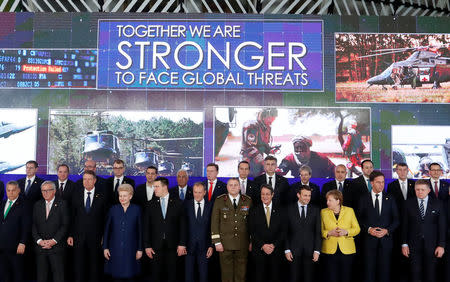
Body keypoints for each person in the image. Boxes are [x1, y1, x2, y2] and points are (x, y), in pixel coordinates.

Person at [401, 179, 446, 282]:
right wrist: (404, 244)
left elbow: (442, 226)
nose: (420, 192)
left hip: (432, 246)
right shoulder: (408, 204)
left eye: (422, 189)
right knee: (415, 274)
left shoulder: (438, 204)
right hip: (413, 246)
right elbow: (404, 225)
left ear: (429, 190)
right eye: (417, 189)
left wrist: (441, 245)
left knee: (430, 275)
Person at [358, 171, 399, 282]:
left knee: (384, 273)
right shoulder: (363, 198)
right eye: (378, 182)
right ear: (372, 183)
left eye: (383, 182)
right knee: (368, 273)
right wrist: (369, 229)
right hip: (368, 242)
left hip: (386, 242)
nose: (381, 185)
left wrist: (387, 231)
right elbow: (358, 219)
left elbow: (396, 219)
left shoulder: (390, 198)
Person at [143, 177, 187, 282]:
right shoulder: (150, 204)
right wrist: (147, 246)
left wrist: (182, 243)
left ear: (165, 187)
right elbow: (146, 227)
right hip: (155, 247)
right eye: (154, 187)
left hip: (173, 247)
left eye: (157, 186)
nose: (155, 189)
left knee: (173, 275)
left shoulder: (178, 203)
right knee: (156, 275)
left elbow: (183, 225)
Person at [67, 170, 108, 282]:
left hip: (96, 238)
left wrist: (104, 236)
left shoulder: (103, 195)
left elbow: (105, 218)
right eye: (84, 179)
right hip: (78, 237)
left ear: (94, 180)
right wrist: (70, 234)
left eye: (89, 179)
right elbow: (72, 216)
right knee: (79, 266)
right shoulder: (76, 194)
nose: (86, 181)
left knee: (94, 266)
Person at [211, 178, 252, 282]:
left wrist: (251, 241)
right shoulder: (219, 201)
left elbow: (251, 223)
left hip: (242, 243)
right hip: (224, 243)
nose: (233, 187)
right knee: (226, 273)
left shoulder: (247, 200)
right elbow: (214, 222)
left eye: (235, 185)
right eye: (230, 185)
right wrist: (216, 242)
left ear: (240, 187)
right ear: (227, 187)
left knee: (241, 273)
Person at [103, 184, 142, 282]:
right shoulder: (113, 209)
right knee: (116, 275)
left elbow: (140, 231)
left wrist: (140, 249)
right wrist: (105, 247)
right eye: (120, 196)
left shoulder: (137, 210)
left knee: (130, 275)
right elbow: (107, 229)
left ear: (130, 196)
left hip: (131, 249)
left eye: (125, 196)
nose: (122, 198)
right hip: (115, 249)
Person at [32, 181, 69, 282]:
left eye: (48, 190)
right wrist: (39, 241)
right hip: (41, 248)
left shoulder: (62, 204)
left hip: (57, 248)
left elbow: (65, 225)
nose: (45, 193)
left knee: (58, 277)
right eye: (43, 190)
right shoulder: (37, 205)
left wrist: (54, 240)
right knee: (41, 277)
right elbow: (33, 225)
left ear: (54, 191)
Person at [321, 190, 360, 282]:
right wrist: (329, 233)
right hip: (329, 250)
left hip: (347, 250)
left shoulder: (350, 211)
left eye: (330, 200)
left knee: (345, 277)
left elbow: (357, 229)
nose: (327, 202)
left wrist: (346, 232)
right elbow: (320, 230)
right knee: (331, 277)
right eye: (327, 200)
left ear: (338, 201)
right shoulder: (323, 212)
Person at [248, 184, 285, 282]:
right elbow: (252, 231)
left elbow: (283, 231)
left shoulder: (281, 210)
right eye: (263, 194)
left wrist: (274, 245)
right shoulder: (254, 210)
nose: (265, 196)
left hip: (275, 251)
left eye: (267, 194)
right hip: (259, 251)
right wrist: (263, 245)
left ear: (272, 195)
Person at [285, 185, 321, 282]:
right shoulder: (289, 209)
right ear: (298, 195)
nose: (307, 198)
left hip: (310, 252)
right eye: (305, 195)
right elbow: (285, 232)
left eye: (309, 196)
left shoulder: (316, 210)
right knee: (294, 278)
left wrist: (317, 250)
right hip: (293, 252)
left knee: (308, 278)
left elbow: (318, 232)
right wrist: (287, 249)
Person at [386, 162, 415, 282]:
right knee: (398, 252)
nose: (402, 172)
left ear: (408, 171)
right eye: (400, 170)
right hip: (397, 223)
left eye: (404, 170)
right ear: (396, 171)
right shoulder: (391, 185)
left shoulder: (414, 184)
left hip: (413, 223)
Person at [0, 181, 30, 282]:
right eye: (8, 190)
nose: (11, 193)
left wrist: (22, 242)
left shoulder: (24, 205)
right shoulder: (2, 203)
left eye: (13, 190)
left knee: (18, 275)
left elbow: (26, 226)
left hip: (16, 247)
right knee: (4, 275)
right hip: (2, 247)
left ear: (18, 191)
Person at [184, 182, 213, 282]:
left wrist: (211, 245)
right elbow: (183, 226)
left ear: (205, 192)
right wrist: (182, 244)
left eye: (200, 192)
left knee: (203, 276)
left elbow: (212, 227)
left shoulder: (211, 206)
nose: (197, 195)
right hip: (188, 247)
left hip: (204, 247)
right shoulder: (186, 205)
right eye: (195, 192)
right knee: (188, 276)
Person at [240, 108, 279, 177]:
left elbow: (262, 144)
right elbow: (250, 148)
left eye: (274, 119)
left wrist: (269, 150)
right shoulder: (251, 126)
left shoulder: (266, 127)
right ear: (264, 116)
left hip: (259, 162)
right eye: (270, 119)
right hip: (249, 162)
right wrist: (264, 163)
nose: (272, 122)